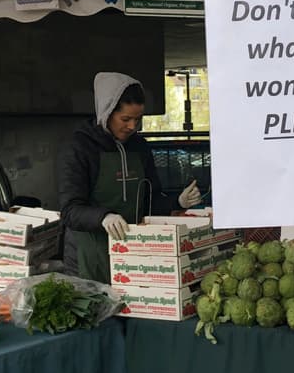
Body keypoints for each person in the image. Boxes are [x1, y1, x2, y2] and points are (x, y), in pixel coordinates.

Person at [59, 72, 202, 282]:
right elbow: (70, 210)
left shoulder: (140, 147)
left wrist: (178, 202)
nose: (132, 126)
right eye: (125, 119)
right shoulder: (80, 147)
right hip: (89, 256)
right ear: (106, 112)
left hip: (135, 255)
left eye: (137, 119)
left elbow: (149, 202)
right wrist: (103, 217)